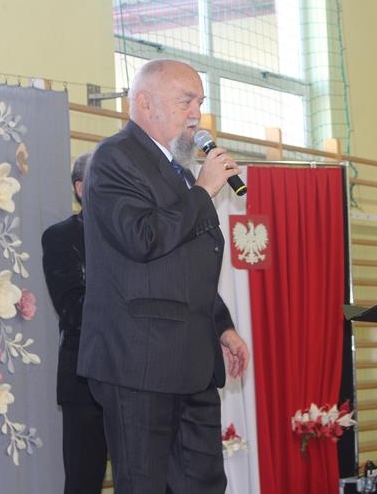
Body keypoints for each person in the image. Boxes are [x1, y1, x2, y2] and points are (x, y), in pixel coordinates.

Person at [78, 58, 250, 494]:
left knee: (205, 485)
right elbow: (143, 238)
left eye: (200, 103)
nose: (196, 114)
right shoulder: (115, 158)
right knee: (145, 485)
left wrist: (221, 325)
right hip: (140, 362)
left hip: (192, 361)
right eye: (185, 101)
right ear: (144, 103)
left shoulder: (178, 170)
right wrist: (204, 190)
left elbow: (187, 264)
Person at [41, 151, 108, 494]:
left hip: (135, 381)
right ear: (81, 188)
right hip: (84, 381)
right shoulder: (60, 237)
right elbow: (72, 308)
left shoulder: (133, 235)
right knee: (84, 483)